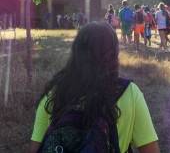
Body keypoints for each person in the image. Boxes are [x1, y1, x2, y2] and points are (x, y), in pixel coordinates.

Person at [30, 22, 160, 153]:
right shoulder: (129, 93)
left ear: (76, 51)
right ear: (114, 54)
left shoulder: (54, 92)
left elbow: (35, 148)